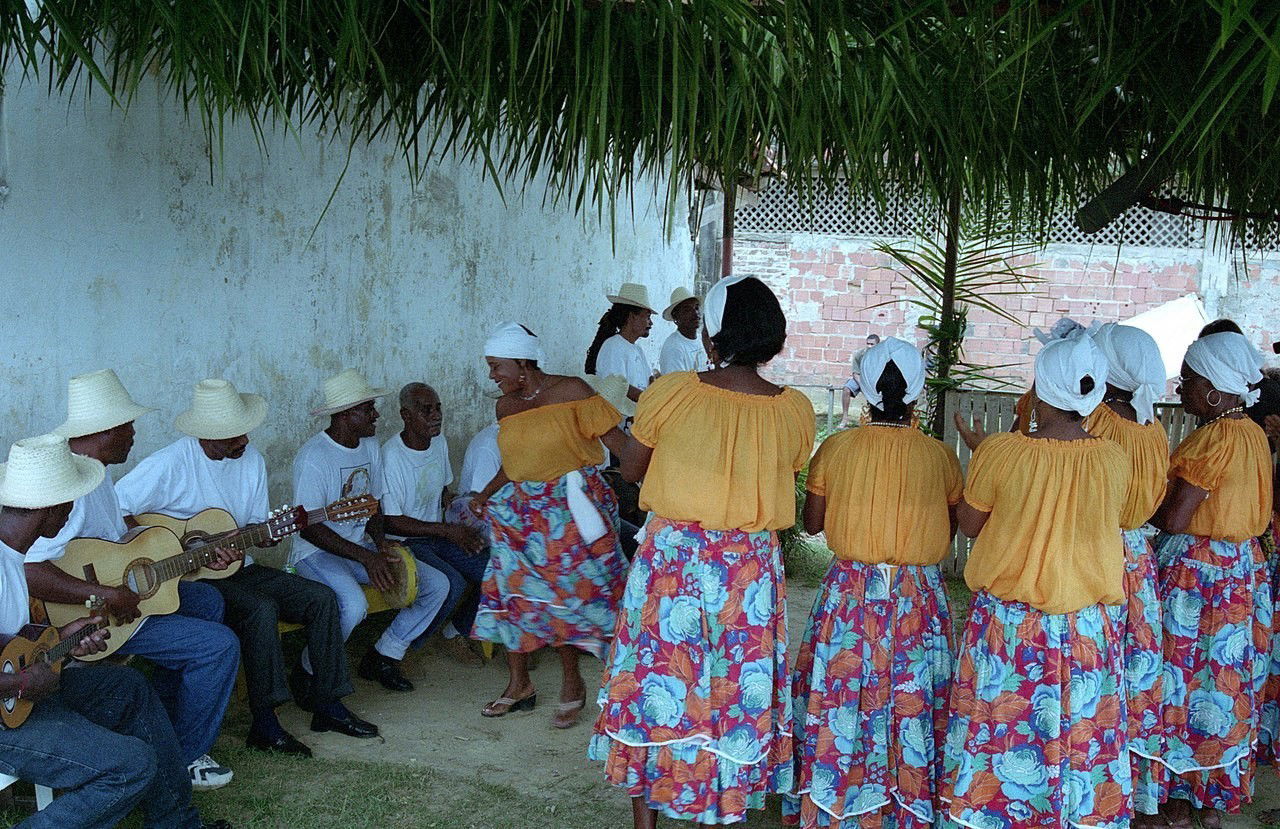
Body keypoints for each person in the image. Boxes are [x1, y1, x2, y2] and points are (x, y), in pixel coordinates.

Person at [590, 276, 817, 828]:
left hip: (675, 560)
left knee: (658, 681)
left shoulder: (671, 392)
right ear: (772, 337)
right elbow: (773, 470)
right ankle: (724, 808)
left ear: (712, 336)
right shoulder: (795, 411)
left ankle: (646, 818)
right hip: (748, 571)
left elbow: (633, 469)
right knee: (734, 688)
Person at [114, 378, 378, 756]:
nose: (243, 442)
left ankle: (327, 703)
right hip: (187, 579)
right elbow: (117, 511)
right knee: (259, 609)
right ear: (206, 436)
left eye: (244, 432)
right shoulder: (170, 463)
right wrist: (166, 546)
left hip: (241, 565)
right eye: (231, 436)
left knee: (321, 598)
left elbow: (255, 526)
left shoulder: (252, 460)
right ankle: (266, 723)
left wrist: (264, 535)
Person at [943, 333, 1133, 829]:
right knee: (1075, 738)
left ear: (1039, 389)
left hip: (1009, 632)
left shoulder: (1003, 453)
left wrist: (985, 453)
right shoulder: (1114, 458)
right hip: (1086, 631)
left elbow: (968, 523)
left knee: (998, 737)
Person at [23, 369, 240, 791]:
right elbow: (29, 569)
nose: (135, 434)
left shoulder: (95, 473)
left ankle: (162, 724)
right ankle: (187, 758)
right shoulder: (68, 484)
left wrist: (188, 555)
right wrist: (102, 593)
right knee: (218, 646)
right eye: (129, 426)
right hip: (89, 616)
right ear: (104, 431)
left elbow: (114, 539)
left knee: (208, 602)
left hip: (118, 596)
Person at [0, 434, 230, 829]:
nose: (74, 508)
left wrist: (65, 640)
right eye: (70, 500)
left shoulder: (11, 556)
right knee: (130, 766)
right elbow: (16, 673)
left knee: (128, 687)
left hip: (16, 700)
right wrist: (21, 681)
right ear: (51, 508)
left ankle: (176, 822)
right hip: (6, 714)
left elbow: (13, 645)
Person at [787, 337, 961, 829]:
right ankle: (908, 798)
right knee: (913, 695)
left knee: (846, 692)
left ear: (862, 388)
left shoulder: (839, 447)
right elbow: (949, 525)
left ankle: (839, 791)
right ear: (918, 393)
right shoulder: (939, 457)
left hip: (850, 593)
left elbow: (813, 524)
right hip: (917, 598)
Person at [470, 322, 629, 728]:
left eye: (496, 366)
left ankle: (573, 682)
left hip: (570, 513)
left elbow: (620, 445)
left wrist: (658, 477)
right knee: (511, 594)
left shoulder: (572, 391)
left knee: (566, 597)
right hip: (521, 514)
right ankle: (518, 684)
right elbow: (517, 461)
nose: (492, 375)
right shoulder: (505, 407)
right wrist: (486, 494)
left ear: (523, 363)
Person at [1149, 332, 1272, 828]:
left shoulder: (1216, 438)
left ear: (1216, 390)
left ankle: (1179, 792)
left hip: (1201, 577)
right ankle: (1211, 793)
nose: (1182, 388)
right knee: (1226, 681)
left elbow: (1177, 517)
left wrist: (1130, 504)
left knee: (1186, 678)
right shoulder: (1252, 433)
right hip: (1241, 571)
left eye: (1191, 379)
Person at [291, 368, 451, 693]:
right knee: (353, 605)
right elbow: (308, 527)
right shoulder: (314, 457)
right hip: (317, 552)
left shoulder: (369, 445)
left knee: (436, 585)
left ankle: (384, 655)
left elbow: (374, 505)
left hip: (360, 547)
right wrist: (366, 556)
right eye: (368, 409)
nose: (376, 414)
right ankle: (307, 673)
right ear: (347, 414)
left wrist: (380, 545)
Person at [1085, 323, 1171, 820]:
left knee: (1093, 668)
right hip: (1138, 561)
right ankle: (1130, 793)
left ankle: (1091, 782)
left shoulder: (1092, 420)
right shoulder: (1152, 428)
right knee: (1131, 672)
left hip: (1095, 553)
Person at [381, 382, 488, 665]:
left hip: (436, 534)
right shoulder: (391, 456)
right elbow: (391, 520)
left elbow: (440, 490)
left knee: (493, 569)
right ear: (405, 415)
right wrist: (448, 530)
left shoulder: (438, 442)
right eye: (425, 410)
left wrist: (461, 506)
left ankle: (455, 632)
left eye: (438, 407)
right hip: (406, 540)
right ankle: (405, 650)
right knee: (450, 583)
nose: (435, 415)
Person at [585, 282, 657, 401]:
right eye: (647, 317)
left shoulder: (637, 349)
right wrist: (649, 400)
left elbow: (649, 381)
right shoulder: (613, 347)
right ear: (631, 316)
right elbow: (619, 388)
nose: (651, 323)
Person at [657, 287, 707, 374]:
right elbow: (677, 385)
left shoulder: (701, 340)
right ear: (676, 316)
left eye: (696, 307)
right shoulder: (673, 347)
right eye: (687, 310)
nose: (695, 313)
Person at [838, 333, 879, 427]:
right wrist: (862, 386)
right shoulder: (859, 355)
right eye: (868, 343)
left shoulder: (882, 356)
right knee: (846, 389)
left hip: (874, 380)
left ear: (878, 345)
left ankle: (875, 419)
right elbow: (855, 373)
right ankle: (845, 418)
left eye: (872, 344)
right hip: (860, 379)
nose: (869, 346)